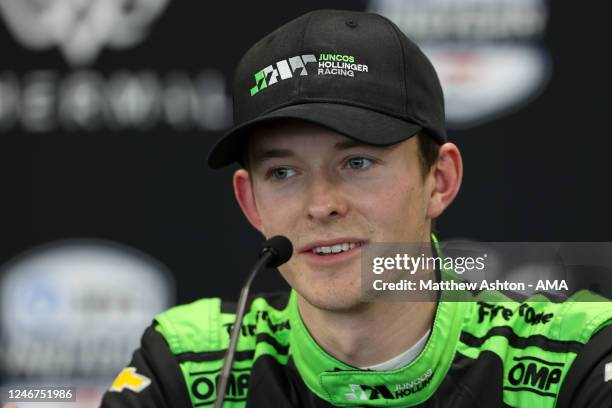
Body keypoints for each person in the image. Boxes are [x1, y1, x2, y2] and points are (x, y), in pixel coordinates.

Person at [101, 9, 612, 407]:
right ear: (250, 201)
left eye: (358, 162)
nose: (321, 205)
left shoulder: (574, 355)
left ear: (440, 179)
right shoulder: (192, 361)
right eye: (283, 173)